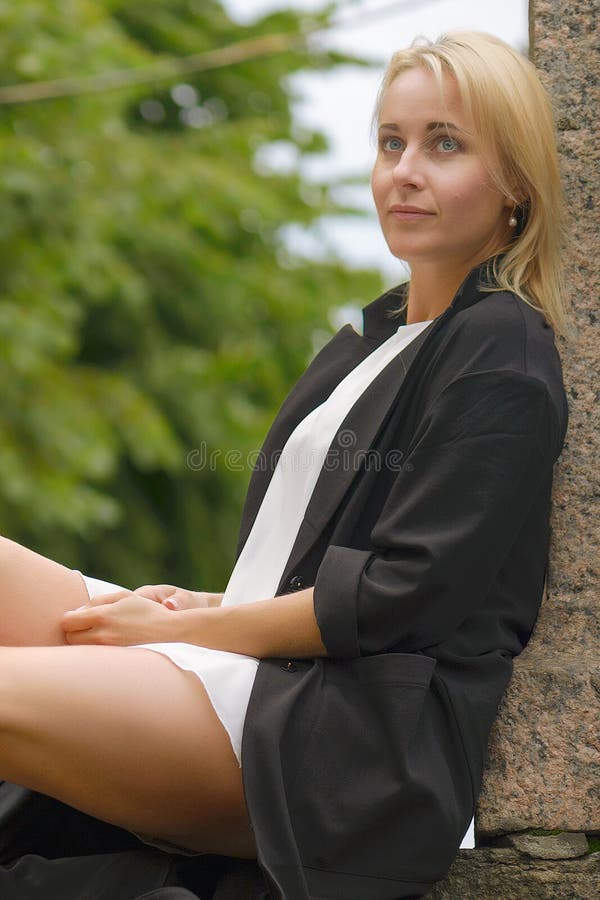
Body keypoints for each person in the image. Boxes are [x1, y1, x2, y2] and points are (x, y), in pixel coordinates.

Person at [0, 30, 570, 900]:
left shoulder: (504, 351)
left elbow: (394, 600)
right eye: (392, 142)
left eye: (444, 144)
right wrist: (206, 605)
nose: (405, 170)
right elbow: (299, 569)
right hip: (247, 671)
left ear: (517, 188)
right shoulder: (379, 342)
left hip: (327, 745)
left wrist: (179, 633)